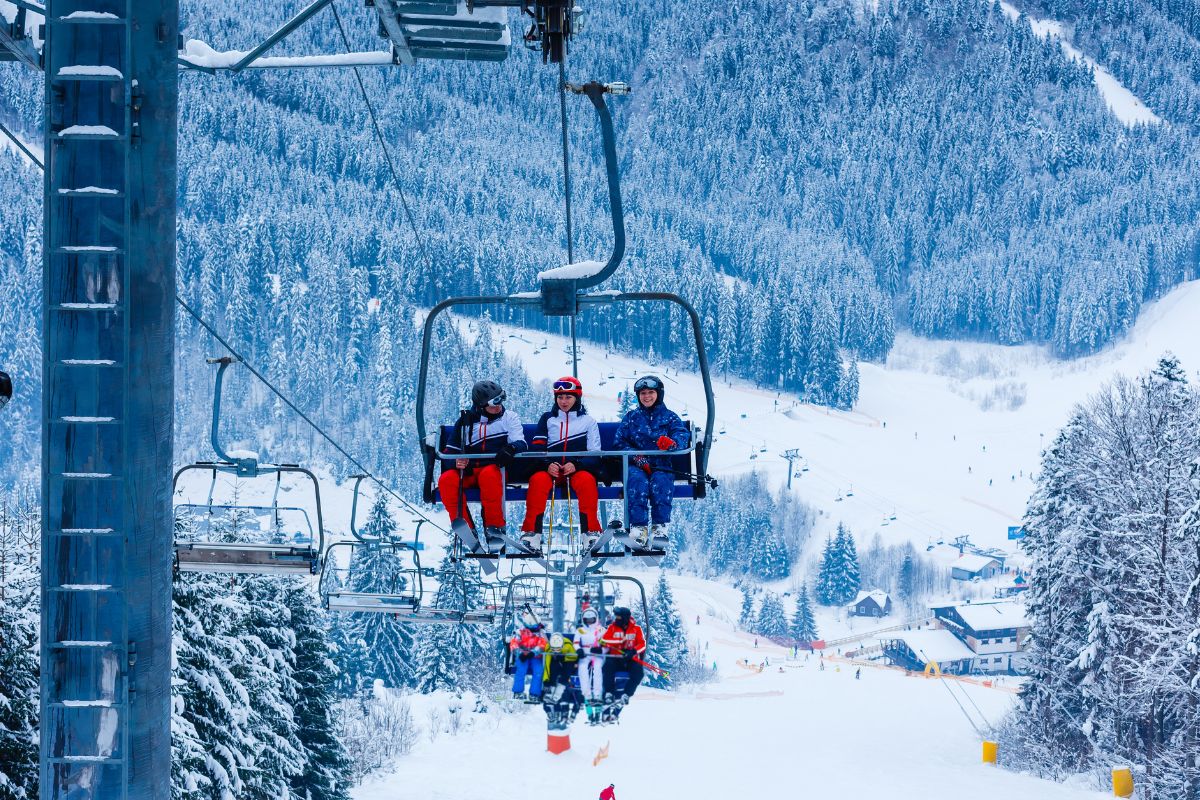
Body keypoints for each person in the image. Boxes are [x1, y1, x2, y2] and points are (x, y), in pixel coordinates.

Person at [438, 380, 527, 548]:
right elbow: (450, 453)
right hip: (470, 472)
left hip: (494, 469)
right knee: (446, 480)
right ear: (481, 405)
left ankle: (494, 528)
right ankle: (466, 529)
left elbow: (521, 442)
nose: (499, 407)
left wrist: (511, 448)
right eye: (494, 403)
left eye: (501, 401)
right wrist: (456, 462)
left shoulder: (509, 418)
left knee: (489, 476)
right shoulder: (466, 423)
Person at [521, 376, 604, 551]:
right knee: (538, 481)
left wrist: (577, 464)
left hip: (576, 470)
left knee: (586, 482)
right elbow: (538, 448)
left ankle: (590, 533)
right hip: (550, 469)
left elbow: (594, 453)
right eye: (560, 397)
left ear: (577, 398)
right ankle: (532, 534)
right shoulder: (548, 419)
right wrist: (547, 464)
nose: (564, 401)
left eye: (568, 397)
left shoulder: (587, 422)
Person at [614, 375, 689, 546]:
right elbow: (619, 442)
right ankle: (639, 528)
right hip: (636, 465)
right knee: (637, 481)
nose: (646, 397)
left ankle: (659, 527)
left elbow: (682, 434)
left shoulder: (669, 417)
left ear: (659, 394)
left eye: (651, 392)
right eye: (643, 393)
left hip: (661, 464)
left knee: (661, 481)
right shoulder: (631, 417)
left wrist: (672, 443)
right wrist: (636, 457)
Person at [601, 606, 646, 706]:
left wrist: (633, 651)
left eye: (619, 618)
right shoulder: (612, 628)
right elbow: (604, 640)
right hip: (615, 657)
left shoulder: (636, 629)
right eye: (616, 617)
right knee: (607, 667)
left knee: (638, 672)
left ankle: (626, 694)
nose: (616, 619)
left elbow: (642, 644)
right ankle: (609, 692)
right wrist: (618, 644)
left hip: (630, 658)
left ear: (625, 618)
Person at [542, 632, 580, 724]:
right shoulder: (548, 647)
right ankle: (550, 692)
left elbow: (574, 658)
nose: (556, 650)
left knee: (565, 675)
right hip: (555, 661)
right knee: (553, 669)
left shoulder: (568, 645)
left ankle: (556, 695)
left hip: (568, 661)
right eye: (554, 649)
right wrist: (546, 680)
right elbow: (546, 665)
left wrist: (564, 659)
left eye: (558, 649)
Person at [576, 607, 606, 722]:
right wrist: (579, 650)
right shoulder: (580, 631)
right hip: (585, 654)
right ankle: (587, 694)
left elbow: (607, 645)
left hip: (596, 654)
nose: (589, 622)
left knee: (597, 668)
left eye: (591, 620)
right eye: (587, 620)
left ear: (595, 619)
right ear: (584, 620)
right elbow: (576, 643)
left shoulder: (601, 630)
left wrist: (601, 650)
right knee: (583, 669)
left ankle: (597, 694)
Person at [509, 614, 547, 700]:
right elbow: (514, 643)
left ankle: (534, 694)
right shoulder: (520, 632)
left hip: (535, 657)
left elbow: (543, 644)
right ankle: (518, 692)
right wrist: (520, 653)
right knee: (521, 670)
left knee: (538, 671)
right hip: (523, 656)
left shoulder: (541, 633)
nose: (533, 630)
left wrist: (533, 652)